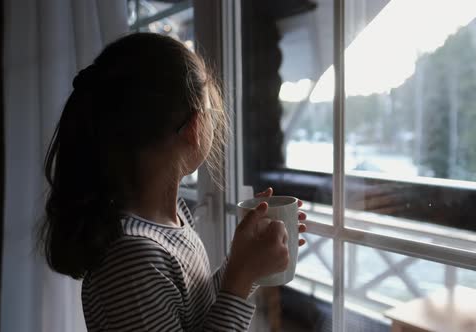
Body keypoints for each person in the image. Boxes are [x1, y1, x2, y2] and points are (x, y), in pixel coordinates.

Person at [38, 32, 307, 332]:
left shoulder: (171, 220)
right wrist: (241, 278)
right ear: (193, 127)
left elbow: (196, 313)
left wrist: (246, 262)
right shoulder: (132, 259)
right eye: (211, 111)